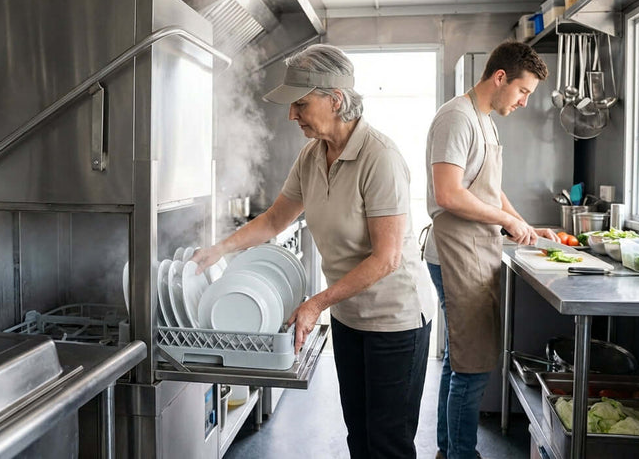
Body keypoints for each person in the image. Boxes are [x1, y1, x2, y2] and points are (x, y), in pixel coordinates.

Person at [193, 44, 436, 458]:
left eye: (300, 104)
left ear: (335, 99)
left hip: (395, 322)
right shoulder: (311, 156)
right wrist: (218, 249)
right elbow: (274, 220)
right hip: (349, 316)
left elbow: (387, 257)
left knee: (388, 444)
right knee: (359, 436)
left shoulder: (381, 157)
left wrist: (315, 304)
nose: (292, 114)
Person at [425, 41, 558, 459]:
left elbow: (489, 187)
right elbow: (448, 193)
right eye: (523, 91)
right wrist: (506, 222)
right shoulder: (456, 117)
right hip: (454, 253)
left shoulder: (485, 120)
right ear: (500, 78)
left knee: (461, 360)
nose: (523, 101)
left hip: (474, 250)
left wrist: (523, 222)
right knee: (474, 364)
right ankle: (461, 454)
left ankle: (449, 451)